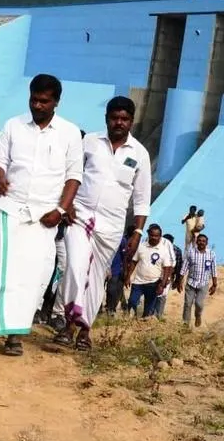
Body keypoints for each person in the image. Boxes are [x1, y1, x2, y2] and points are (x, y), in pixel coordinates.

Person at [0, 74, 82, 357]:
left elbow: (74, 177)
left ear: (56, 102)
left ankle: (14, 336)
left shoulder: (69, 133)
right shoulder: (13, 125)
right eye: (34, 99)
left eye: (44, 101)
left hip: (43, 217)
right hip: (10, 209)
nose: (37, 105)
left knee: (32, 279)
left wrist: (60, 211)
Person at [56, 96, 152, 350]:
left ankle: (83, 331)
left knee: (97, 277)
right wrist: (67, 205)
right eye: (114, 118)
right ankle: (68, 320)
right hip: (80, 216)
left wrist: (138, 232)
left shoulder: (139, 154)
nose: (119, 123)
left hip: (111, 225)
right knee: (75, 268)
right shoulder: (89, 143)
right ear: (106, 118)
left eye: (124, 119)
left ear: (131, 121)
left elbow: (142, 199)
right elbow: (70, 175)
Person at [125, 225, 174, 319]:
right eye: (152, 235)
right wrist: (128, 277)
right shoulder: (142, 246)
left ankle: (142, 327)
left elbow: (167, 268)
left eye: (157, 236)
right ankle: (131, 322)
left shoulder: (164, 250)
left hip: (153, 283)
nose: (154, 238)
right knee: (132, 302)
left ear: (160, 236)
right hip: (138, 281)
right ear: (148, 235)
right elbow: (134, 262)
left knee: (148, 310)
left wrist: (162, 284)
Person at [177, 233, 218, 327]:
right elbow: (184, 267)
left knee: (199, 304)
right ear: (196, 242)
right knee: (188, 303)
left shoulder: (211, 254)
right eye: (199, 240)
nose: (201, 243)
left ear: (207, 243)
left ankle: (198, 316)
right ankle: (185, 324)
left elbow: (214, 269)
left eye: (203, 241)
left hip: (203, 283)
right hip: (191, 282)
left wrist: (214, 284)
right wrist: (180, 281)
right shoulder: (191, 252)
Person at [151, 233, 180, 319]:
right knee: (158, 295)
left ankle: (156, 315)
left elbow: (178, 266)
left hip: (166, 277)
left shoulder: (176, 251)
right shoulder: (157, 248)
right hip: (156, 275)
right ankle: (154, 314)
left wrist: (177, 280)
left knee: (161, 295)